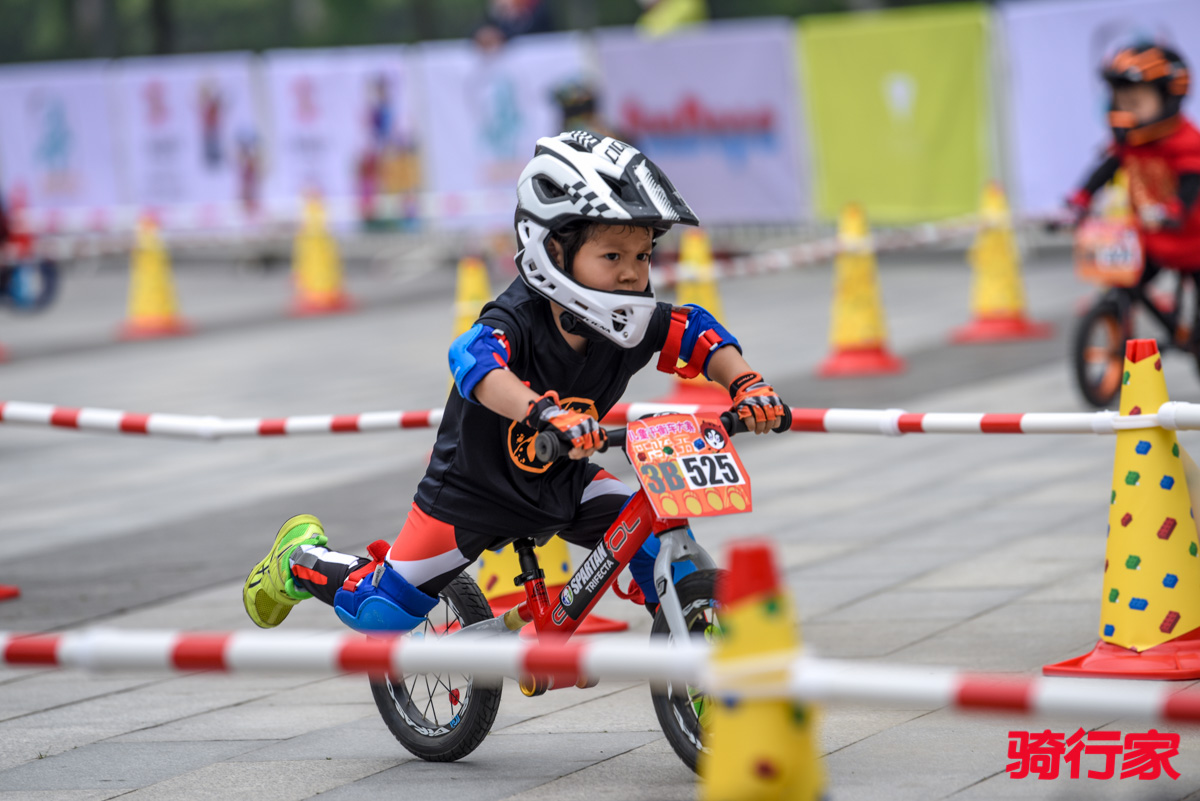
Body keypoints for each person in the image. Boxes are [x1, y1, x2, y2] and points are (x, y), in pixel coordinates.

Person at [243, 132, 788, 635]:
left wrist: (748, 385)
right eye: (613, 256)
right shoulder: (516, 318)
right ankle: (301, 559)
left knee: (668, 545)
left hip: (564, 484)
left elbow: (693, 330)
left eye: (642, 255)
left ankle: (689, 639)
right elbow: (474, 363)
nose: (631, 272)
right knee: (382, 613)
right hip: (468, 496)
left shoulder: (631, 322)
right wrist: (543, 413)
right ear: (554, 252)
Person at [1067, 43, 1200, 284]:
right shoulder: (1130, 141)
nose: (1126, 112)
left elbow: (1191, 181)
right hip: (1152, 239)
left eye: (1135, 104)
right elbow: (1106, 169)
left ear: (1168, 99)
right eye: (1121, 103)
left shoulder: (1187, 141)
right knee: (1125, 284)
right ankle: (1115, 311)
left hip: (1194, 241)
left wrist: (1176, 209)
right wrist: (1081, 198)